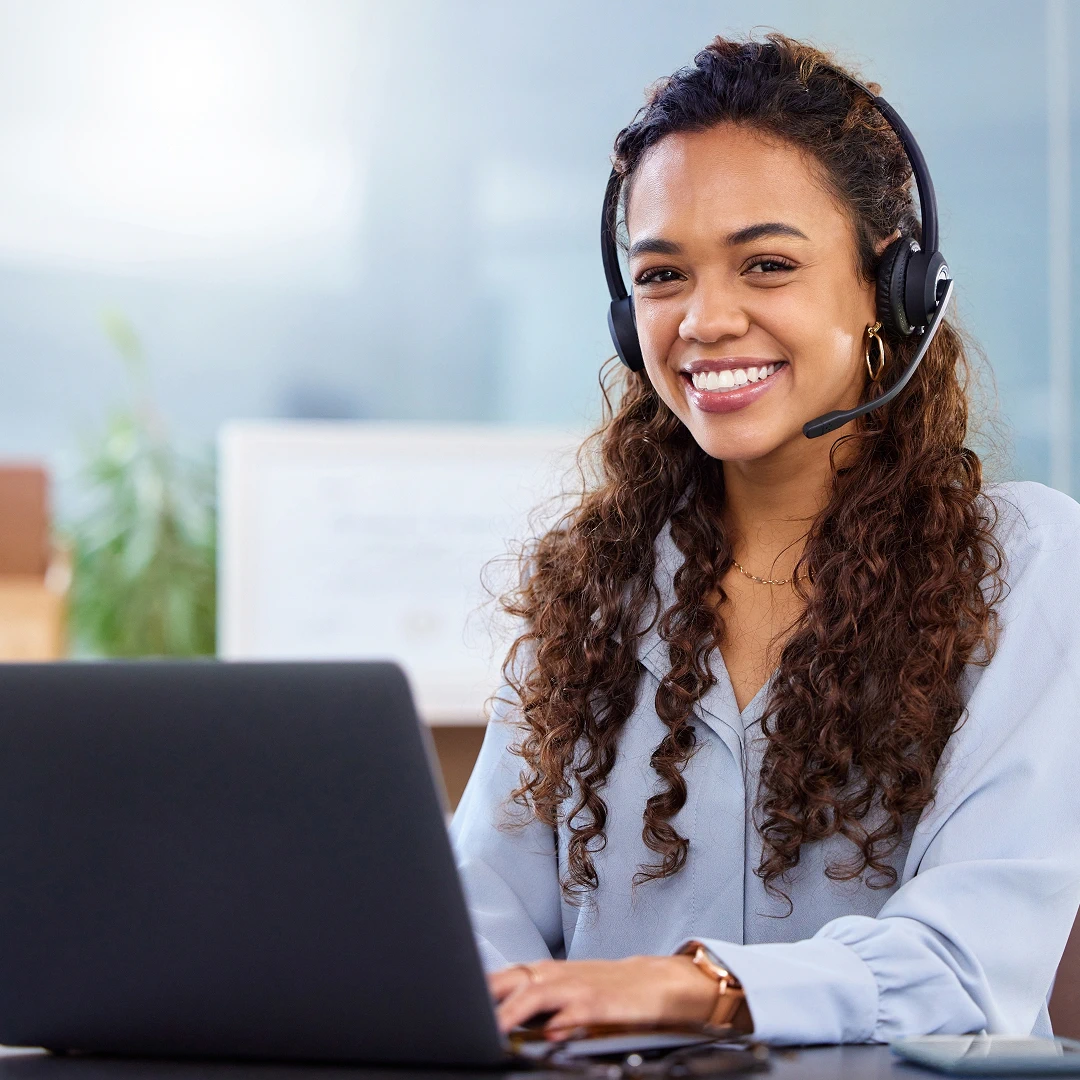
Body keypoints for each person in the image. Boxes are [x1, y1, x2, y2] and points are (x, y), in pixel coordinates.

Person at [450, 33, 1080, 1046]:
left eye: (768, 264)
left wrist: (697, 987)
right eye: (662, 276)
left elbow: (970, 963)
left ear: (893, 287)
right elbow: (472, 918)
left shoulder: (1027, 565)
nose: (705, 319)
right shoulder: (598, 582)